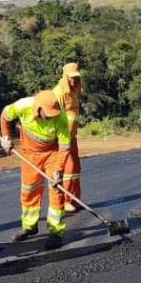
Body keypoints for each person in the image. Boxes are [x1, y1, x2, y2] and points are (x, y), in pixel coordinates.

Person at [0, 90, 71, 250]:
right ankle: (29, 226)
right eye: (48, 114)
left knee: (56, 190)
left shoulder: (61, 116)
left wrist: (59, 169)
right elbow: (4, 116)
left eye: (54, 114)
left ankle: (56, 233)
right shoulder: (23, 105)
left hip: (52, 154)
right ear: (38, 108)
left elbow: (65, 145)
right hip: (29, 154)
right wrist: (6, 137)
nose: (52, 117)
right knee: (29, 190)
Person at [52, 62, 83, 213]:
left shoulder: (74, 91)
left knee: (76, 168)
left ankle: (75, 198)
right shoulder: (59, 92)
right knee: (68, 169)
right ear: (65, 77)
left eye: (76, 77)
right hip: (63, 138)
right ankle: (66, 200)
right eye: (71, 77)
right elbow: (53, 115)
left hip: (72, 136)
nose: (73, 80)